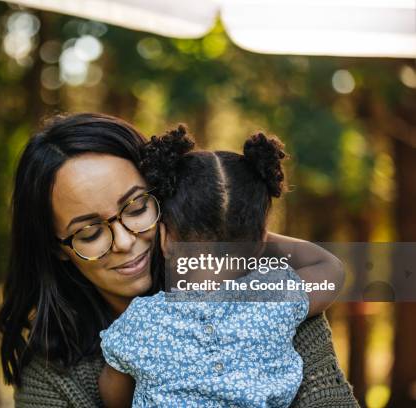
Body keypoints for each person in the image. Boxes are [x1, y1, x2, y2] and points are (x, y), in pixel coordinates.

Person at [0, 112, 359, 407]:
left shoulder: (268, 299)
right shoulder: (52, 376)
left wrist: (223, 233)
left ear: (166, 197)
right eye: (89, 233)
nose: (124, 242)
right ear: (56, 246)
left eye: (136, 208)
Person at [97, 128, 343, 407]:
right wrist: (250, 238)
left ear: (164, 238)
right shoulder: (273, 299)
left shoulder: (141, 320)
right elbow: (330, 267)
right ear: (262, 240)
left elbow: (112, 395)